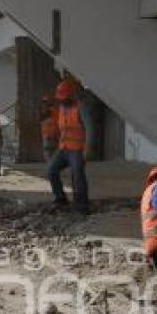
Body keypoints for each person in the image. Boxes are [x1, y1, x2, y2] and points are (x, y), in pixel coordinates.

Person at [47, 79, 91, 215]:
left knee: (77, 176)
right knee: (51, 170)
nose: (62, 101)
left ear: (71, 95)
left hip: (76, 149)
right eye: (60, 98)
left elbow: (90, 129)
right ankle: (60, 198)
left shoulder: (80, 108)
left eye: (64, 98)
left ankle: (82, 206)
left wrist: (87, 150)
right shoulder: (61, 108)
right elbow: (60, 128)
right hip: (63, 147)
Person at [40, 94, 60, 161]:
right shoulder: (54, 111)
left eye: (45, 102)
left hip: (49, 136)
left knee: (48, 153)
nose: (43, 104)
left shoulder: (50, 111)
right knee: (52, 153)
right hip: (51, 136)